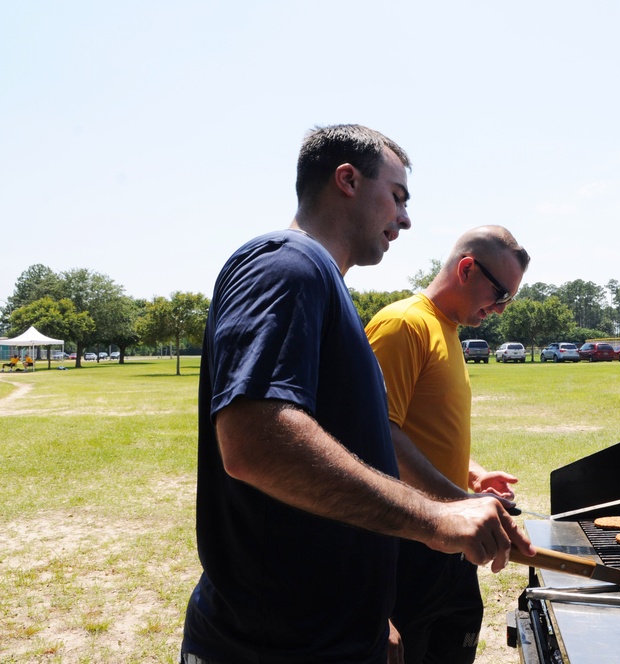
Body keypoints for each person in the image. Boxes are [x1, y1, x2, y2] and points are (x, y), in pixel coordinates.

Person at [181, 125, 533, 664]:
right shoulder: (285, 264)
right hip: (272, 645)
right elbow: (255, 443)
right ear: (347, 180)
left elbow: (352, 450)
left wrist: (369, 615)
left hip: (330, 631)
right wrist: (438, 515)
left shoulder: (325, 287)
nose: (406, 218)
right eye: (396, 196)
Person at [365, 226, 530, 664]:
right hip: (409, 541)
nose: (498, 310)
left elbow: (426, 426)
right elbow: (377, 435)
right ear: (466, 268)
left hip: (451, 546)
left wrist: (472, 474)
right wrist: (461, 502)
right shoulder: (403, 325)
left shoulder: (449, 331)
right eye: (499, 295)